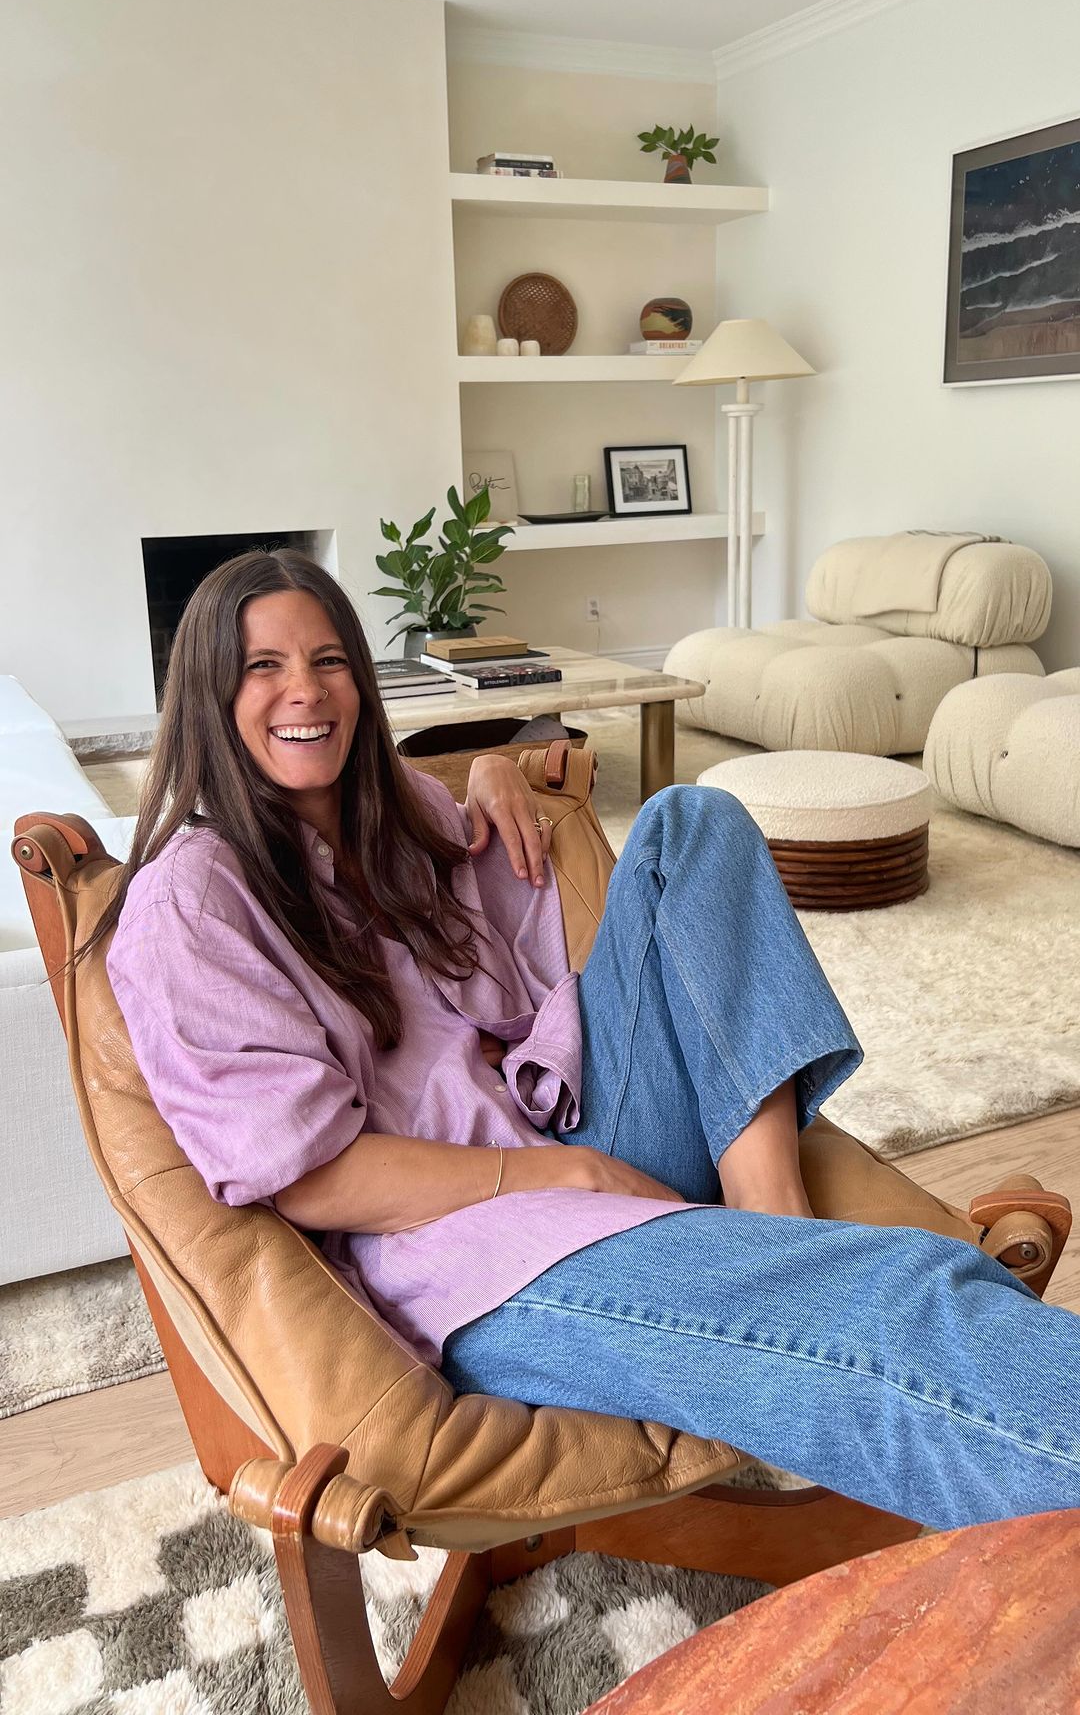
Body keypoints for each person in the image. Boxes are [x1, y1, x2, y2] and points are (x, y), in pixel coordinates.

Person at [100, 549, 1080, 1534]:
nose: (305, 690)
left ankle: (774, 1226)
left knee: (692, 821)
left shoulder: (401, 815)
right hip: (476, 1250)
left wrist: (493, 769)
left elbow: (498, 889)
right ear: (208, 697)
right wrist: (570, 1176)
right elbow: (311, 1178)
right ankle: (813, 1286)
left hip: (559, 1119)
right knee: (894, 1299)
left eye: (329, 660)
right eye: (262, 667)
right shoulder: (191, 902)